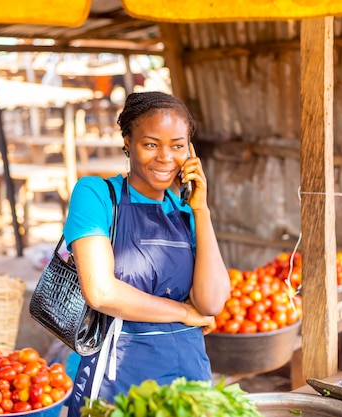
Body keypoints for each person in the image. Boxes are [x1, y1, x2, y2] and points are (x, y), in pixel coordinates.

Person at [62, 91, 231, 416]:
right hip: (119, 379)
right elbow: (101, 292)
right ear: (127, 141)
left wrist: (202, 209)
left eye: (178, 146)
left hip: (190, 378)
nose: (166, 157)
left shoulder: (185, 211)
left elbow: (211, 303)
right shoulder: (96, 195)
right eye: (151, 144)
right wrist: (183, 313)